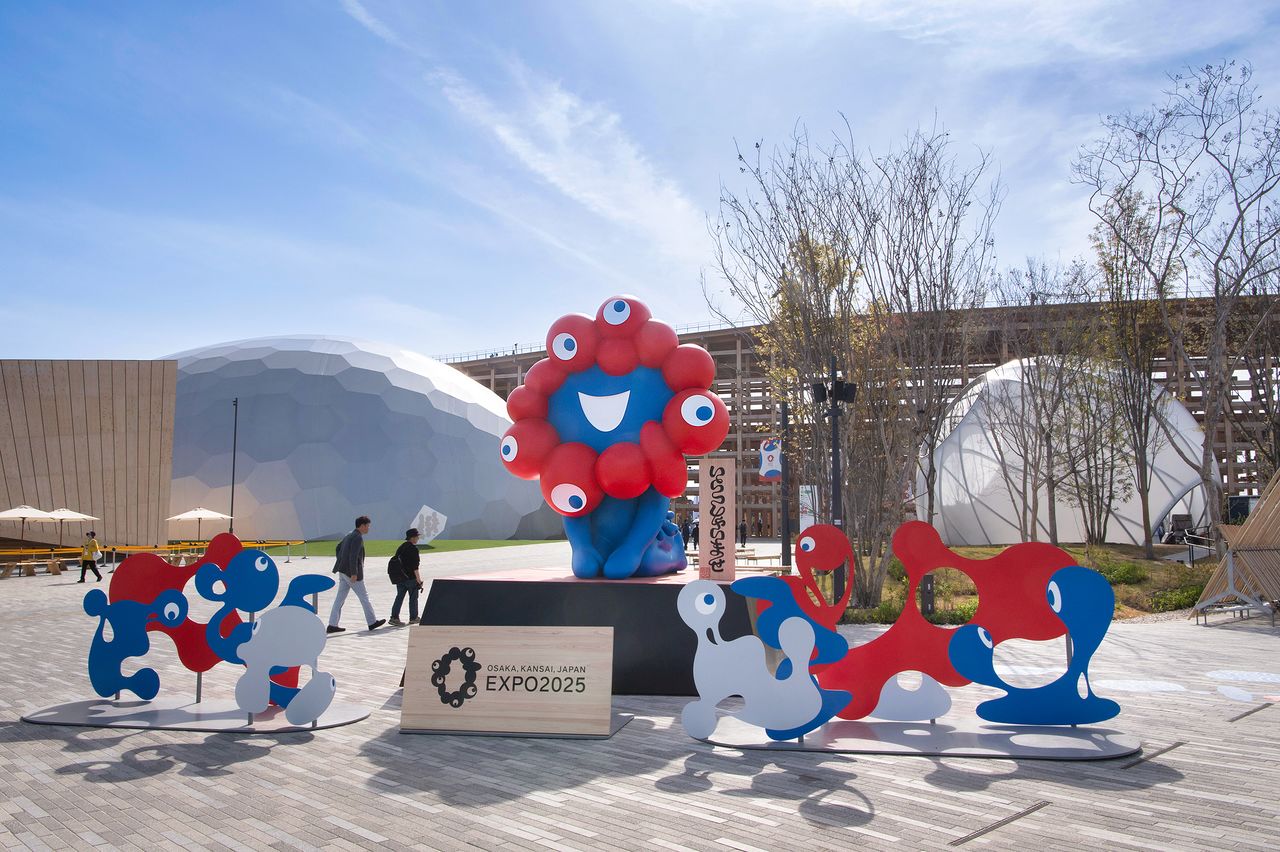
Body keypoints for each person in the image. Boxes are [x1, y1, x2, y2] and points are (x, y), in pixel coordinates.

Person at [327, 515, 385, 634]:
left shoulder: (349, 535)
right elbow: (353, 556)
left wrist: (341, 561)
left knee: (339, 599)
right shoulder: (357, 537)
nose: (368, 528)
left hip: (342, 571)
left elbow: (338, 548)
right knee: (364, 597)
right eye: (367, 526)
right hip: (351, 573)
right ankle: (372, 622)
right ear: (362, 526)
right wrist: (354, 573)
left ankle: (332, 625)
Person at [388, 528, 423, 627]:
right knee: (413, 598)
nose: (418, 538)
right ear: (412, 538)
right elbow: (415, 567)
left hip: (400, 577)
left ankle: (394, 617)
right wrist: (419, 580)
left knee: (399, 597)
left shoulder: (401, 547)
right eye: (417, 537)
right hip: (411, 578)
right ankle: (413, 618)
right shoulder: (414, 549)